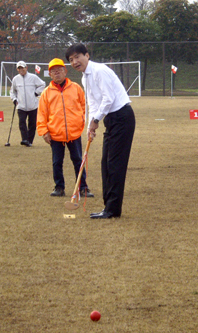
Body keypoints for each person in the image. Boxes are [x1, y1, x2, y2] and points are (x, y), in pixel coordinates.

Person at [66, 43, 135, 219]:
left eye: (77, 57)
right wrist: (90, 126)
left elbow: (108, 98)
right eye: (71, 59)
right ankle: (109, 207)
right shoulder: (85, 78)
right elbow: (93, 104)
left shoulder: (99, 71)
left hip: (122, 117)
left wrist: (96, 120)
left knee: (115, 166)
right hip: (111, 120)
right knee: (106, 164)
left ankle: (112, 210)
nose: (75, 62)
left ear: (86, 55)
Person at [37, 58, 94, 198]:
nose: (57, 73)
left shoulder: (76, 88)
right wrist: (44, 132)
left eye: (59, 70)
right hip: (55, 134)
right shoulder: (46, 93)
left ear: (65, 71)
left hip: (74, 133)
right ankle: (59, 187)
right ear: (50, 74)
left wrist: (81, 122)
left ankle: (83, 188)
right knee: (57, 162)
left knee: (78, 160)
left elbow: (83, 106)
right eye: (53, 71)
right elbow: (42, 114)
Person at [10, 60, 46, 147]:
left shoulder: (33, 77)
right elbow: (12, 91)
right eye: (19, 68)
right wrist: (14, 99)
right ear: (17, 70)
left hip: (33, 105)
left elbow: (42, 84)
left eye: (22, 68)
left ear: (26, 68)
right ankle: (24, 139)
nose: (21, 70)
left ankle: (29, 141)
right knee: (22, 123)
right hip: (21, 106)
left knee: (32, 124)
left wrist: (36, 93)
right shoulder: (15, 79)